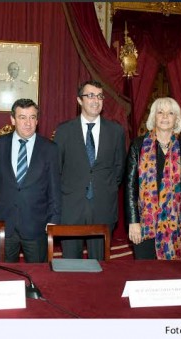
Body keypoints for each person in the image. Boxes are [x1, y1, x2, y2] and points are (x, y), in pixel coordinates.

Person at [53, 80, 125, 260]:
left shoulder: (116, 131)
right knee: (70, 266)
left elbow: (119, 169)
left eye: (100, 96)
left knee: (101, 268)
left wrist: (102, 188)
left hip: (103, 208)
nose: (96, 100)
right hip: (71, 209)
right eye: (90, 95)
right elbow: (56, 170)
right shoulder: (64, 131)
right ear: (79, 100)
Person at [0, 98, 61, 263]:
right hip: (3, 225)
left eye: (32, 117)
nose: (28, 123)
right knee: (4, 278)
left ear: (37, 120)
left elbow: (54, 188)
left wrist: (54, 220)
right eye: (22, 117)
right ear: (13, 120)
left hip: (37, 226)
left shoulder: (50, 148)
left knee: (40, 278)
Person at [125, 97, 181, 260]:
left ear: (177, 119)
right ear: (153, 117)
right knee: (145, 274)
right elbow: (130, 187)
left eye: (170, 113)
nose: (165, 116)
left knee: (171, 276)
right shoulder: (138, 145)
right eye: (160, 112)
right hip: (144, 224)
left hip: (175, 226)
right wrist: (133, 221)